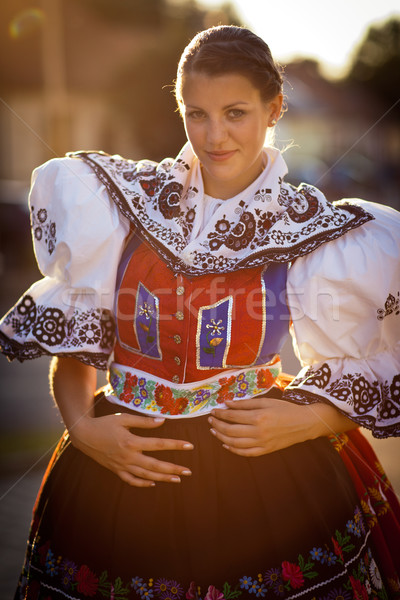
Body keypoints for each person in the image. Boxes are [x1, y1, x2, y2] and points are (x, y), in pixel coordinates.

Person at [1, 24, 399, 600]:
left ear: (275, 108)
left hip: (265, 480)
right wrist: (84, 429)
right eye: (197, 113)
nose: (215, 136)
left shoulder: (317, 232)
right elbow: (77, 351)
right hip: (118, 473)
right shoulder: (121, 206)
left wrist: (310, 418)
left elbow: (379, 366)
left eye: (235, 112)